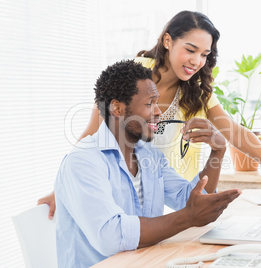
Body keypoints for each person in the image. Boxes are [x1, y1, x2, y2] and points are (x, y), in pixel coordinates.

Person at [39, 10, 261, 219]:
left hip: (173, 196)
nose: (197, 61)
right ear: (168, 41)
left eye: (204, 55)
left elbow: (233, 131)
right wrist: (60, 188)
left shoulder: (196, 90)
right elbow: (91, 133)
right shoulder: (133, 76)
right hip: (124, 196)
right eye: (190, 50)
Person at [54, 60, 241, 267]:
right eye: (149, 103)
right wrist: (188, 218)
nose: (158, 111)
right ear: (117, 108)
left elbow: (191, 200)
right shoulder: (83, 161)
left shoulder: (149, 155)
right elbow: (111, 236)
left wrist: (218, 151)